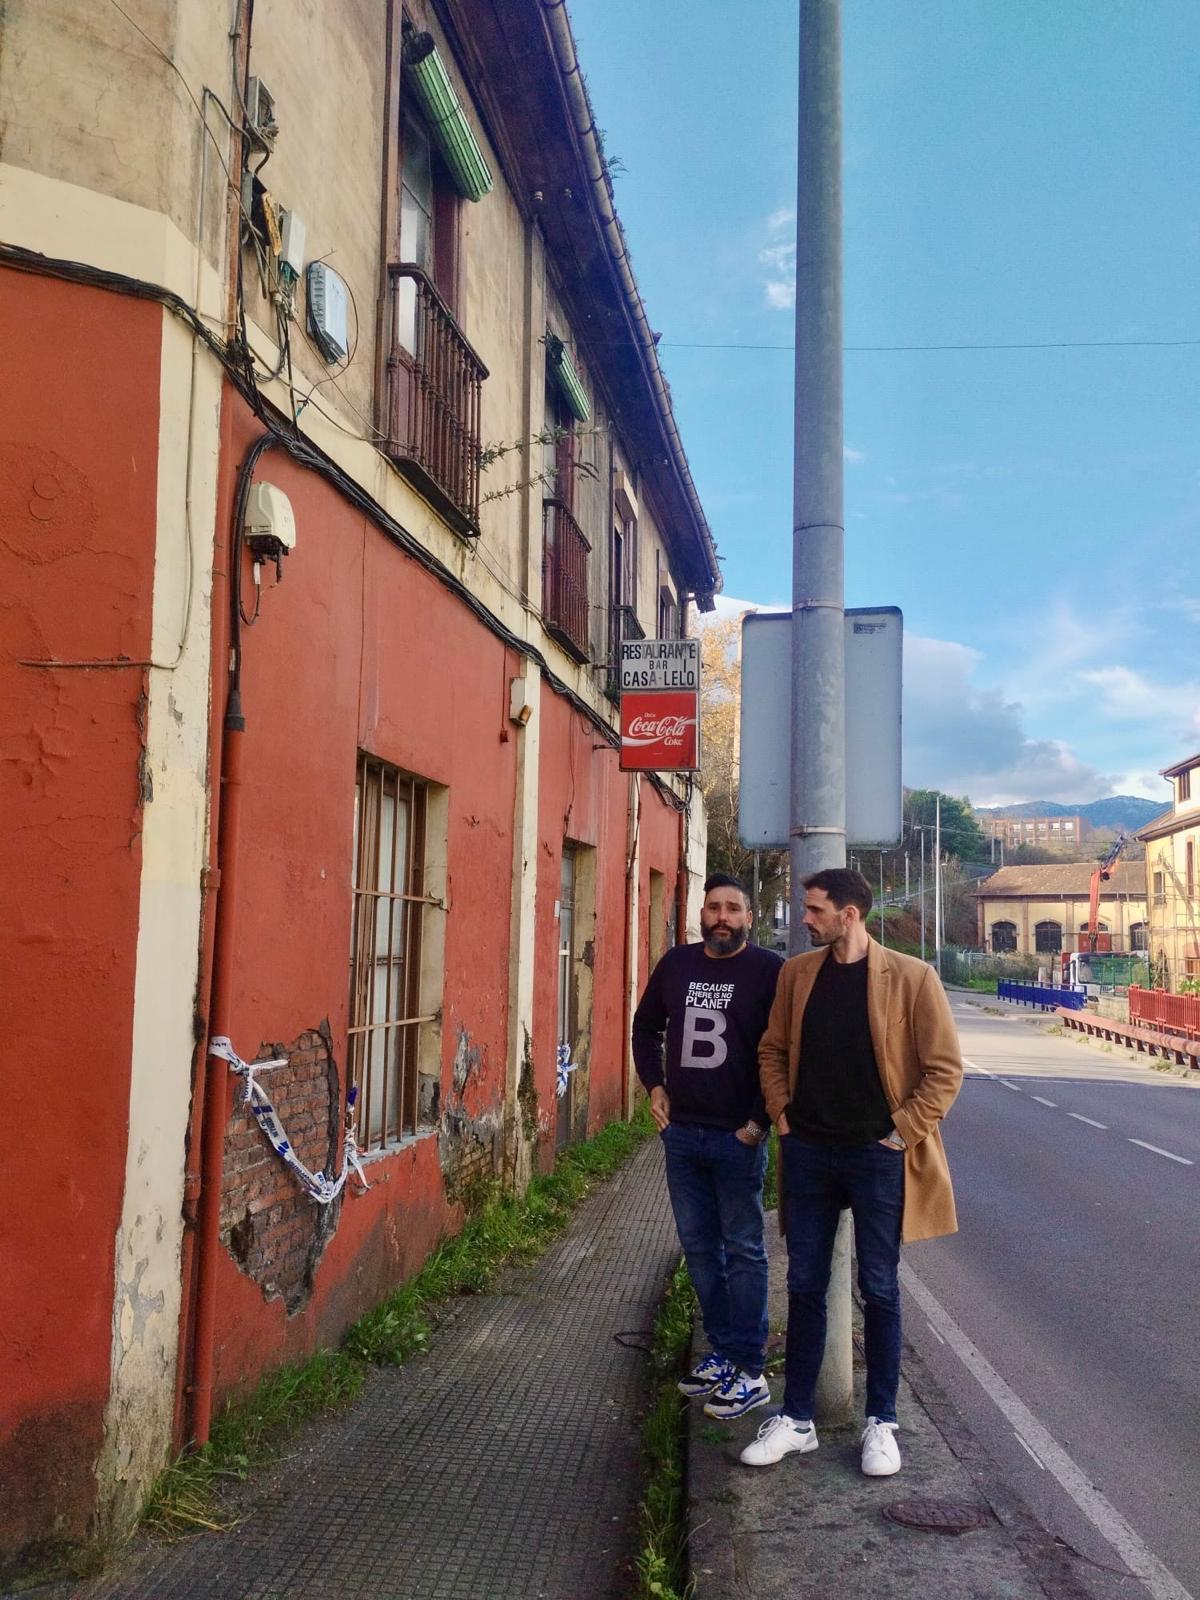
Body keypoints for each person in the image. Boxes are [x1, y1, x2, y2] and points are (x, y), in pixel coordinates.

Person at [740, 867, 963, 1476]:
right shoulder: (796, 975)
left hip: (876, 1156)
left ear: (849, 913)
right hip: (809, 1151)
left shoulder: (913, 978)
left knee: (881, 1287)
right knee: (806, 1286)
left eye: (814, 910)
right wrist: (783, 1113)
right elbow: (771, 1049)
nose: (804, 919)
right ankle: (797, 1421)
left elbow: (944, 1070)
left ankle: (882, 1422)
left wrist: (900, 1134)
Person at [633, 873, 784, 1421]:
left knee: (744, 1251)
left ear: (750, 915)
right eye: (714, 907)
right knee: (699, 1250)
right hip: (682, 1136)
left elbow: (785, 1049)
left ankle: (750, 1370)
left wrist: (760, 1122)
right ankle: (722, 1351)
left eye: (733, 909)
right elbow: (645, 1027)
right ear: (702, 912)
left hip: (737, 1138)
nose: (722, 917)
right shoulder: (677, 964)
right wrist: (654, 1087)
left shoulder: (770, 970)